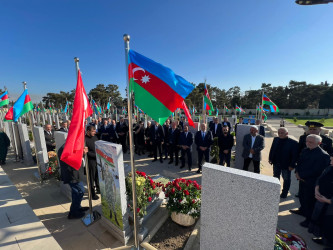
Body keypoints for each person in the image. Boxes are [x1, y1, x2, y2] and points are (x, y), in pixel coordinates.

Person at [290, 134, 330, 228]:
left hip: (311, 182)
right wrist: (297, 172)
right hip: (302, 179)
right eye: (307, 141)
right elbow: (299, 162)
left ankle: (309, 220)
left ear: (319, 143)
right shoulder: (305, 150)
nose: (308, 143)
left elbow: (317, 170)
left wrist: (301, 175)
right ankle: (302, 210)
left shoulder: (323, 155)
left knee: (309, 202)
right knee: (302, 197)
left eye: (311, 142)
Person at [58, 144, 89, 219]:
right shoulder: (64, 148)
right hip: (71, 174)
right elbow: (69, 160)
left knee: (77, 192)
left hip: (76, 173)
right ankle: (73, 213)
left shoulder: (70, 146)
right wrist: (82, 153)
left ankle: (77, 208)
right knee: (79, 191)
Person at [308, 157, 333, 248]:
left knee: (330, 226)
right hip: (322, 200)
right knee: (322, 221)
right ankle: (323, 239)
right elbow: (320, 178)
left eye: (332, 160)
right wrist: (317, 188)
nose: (330, 161)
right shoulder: (330, 168)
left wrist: (327, 200)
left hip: (330, 206)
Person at [269, 127, 298, 198]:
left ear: (287, 133)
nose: (280, 134)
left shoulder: (293, 143)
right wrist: (270, 158)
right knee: (275, 177)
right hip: (276, 163)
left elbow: (295, 156)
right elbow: (272, 149)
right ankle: (275, 190)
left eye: (282, 133)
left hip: (286, 165)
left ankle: (284, 193)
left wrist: (292, 165)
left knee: (286, 179)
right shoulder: (276, 139)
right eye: (279, 133)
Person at [85, 126, 100, 200]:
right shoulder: (85, 139)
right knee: (91, 178)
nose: (94, 132)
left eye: (95, 131)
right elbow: (86, 153)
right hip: (91, 161)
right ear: (88, 131)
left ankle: (98, 189)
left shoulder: (95, 137)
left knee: (97, 175)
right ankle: (92, 193)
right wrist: (96, 155)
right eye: (92, 131)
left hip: (97, 159)